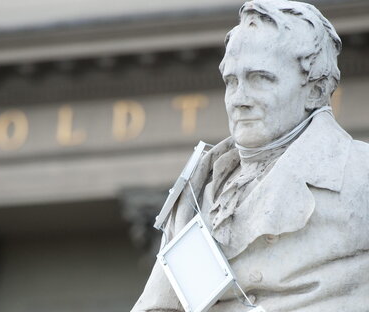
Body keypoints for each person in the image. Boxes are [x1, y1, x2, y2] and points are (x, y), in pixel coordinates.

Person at [131, 0, 369, 311]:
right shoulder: (200, 190)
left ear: (314, 90)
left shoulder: (360, 173)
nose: (239, 100)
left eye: (260, 78)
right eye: (232, 82)